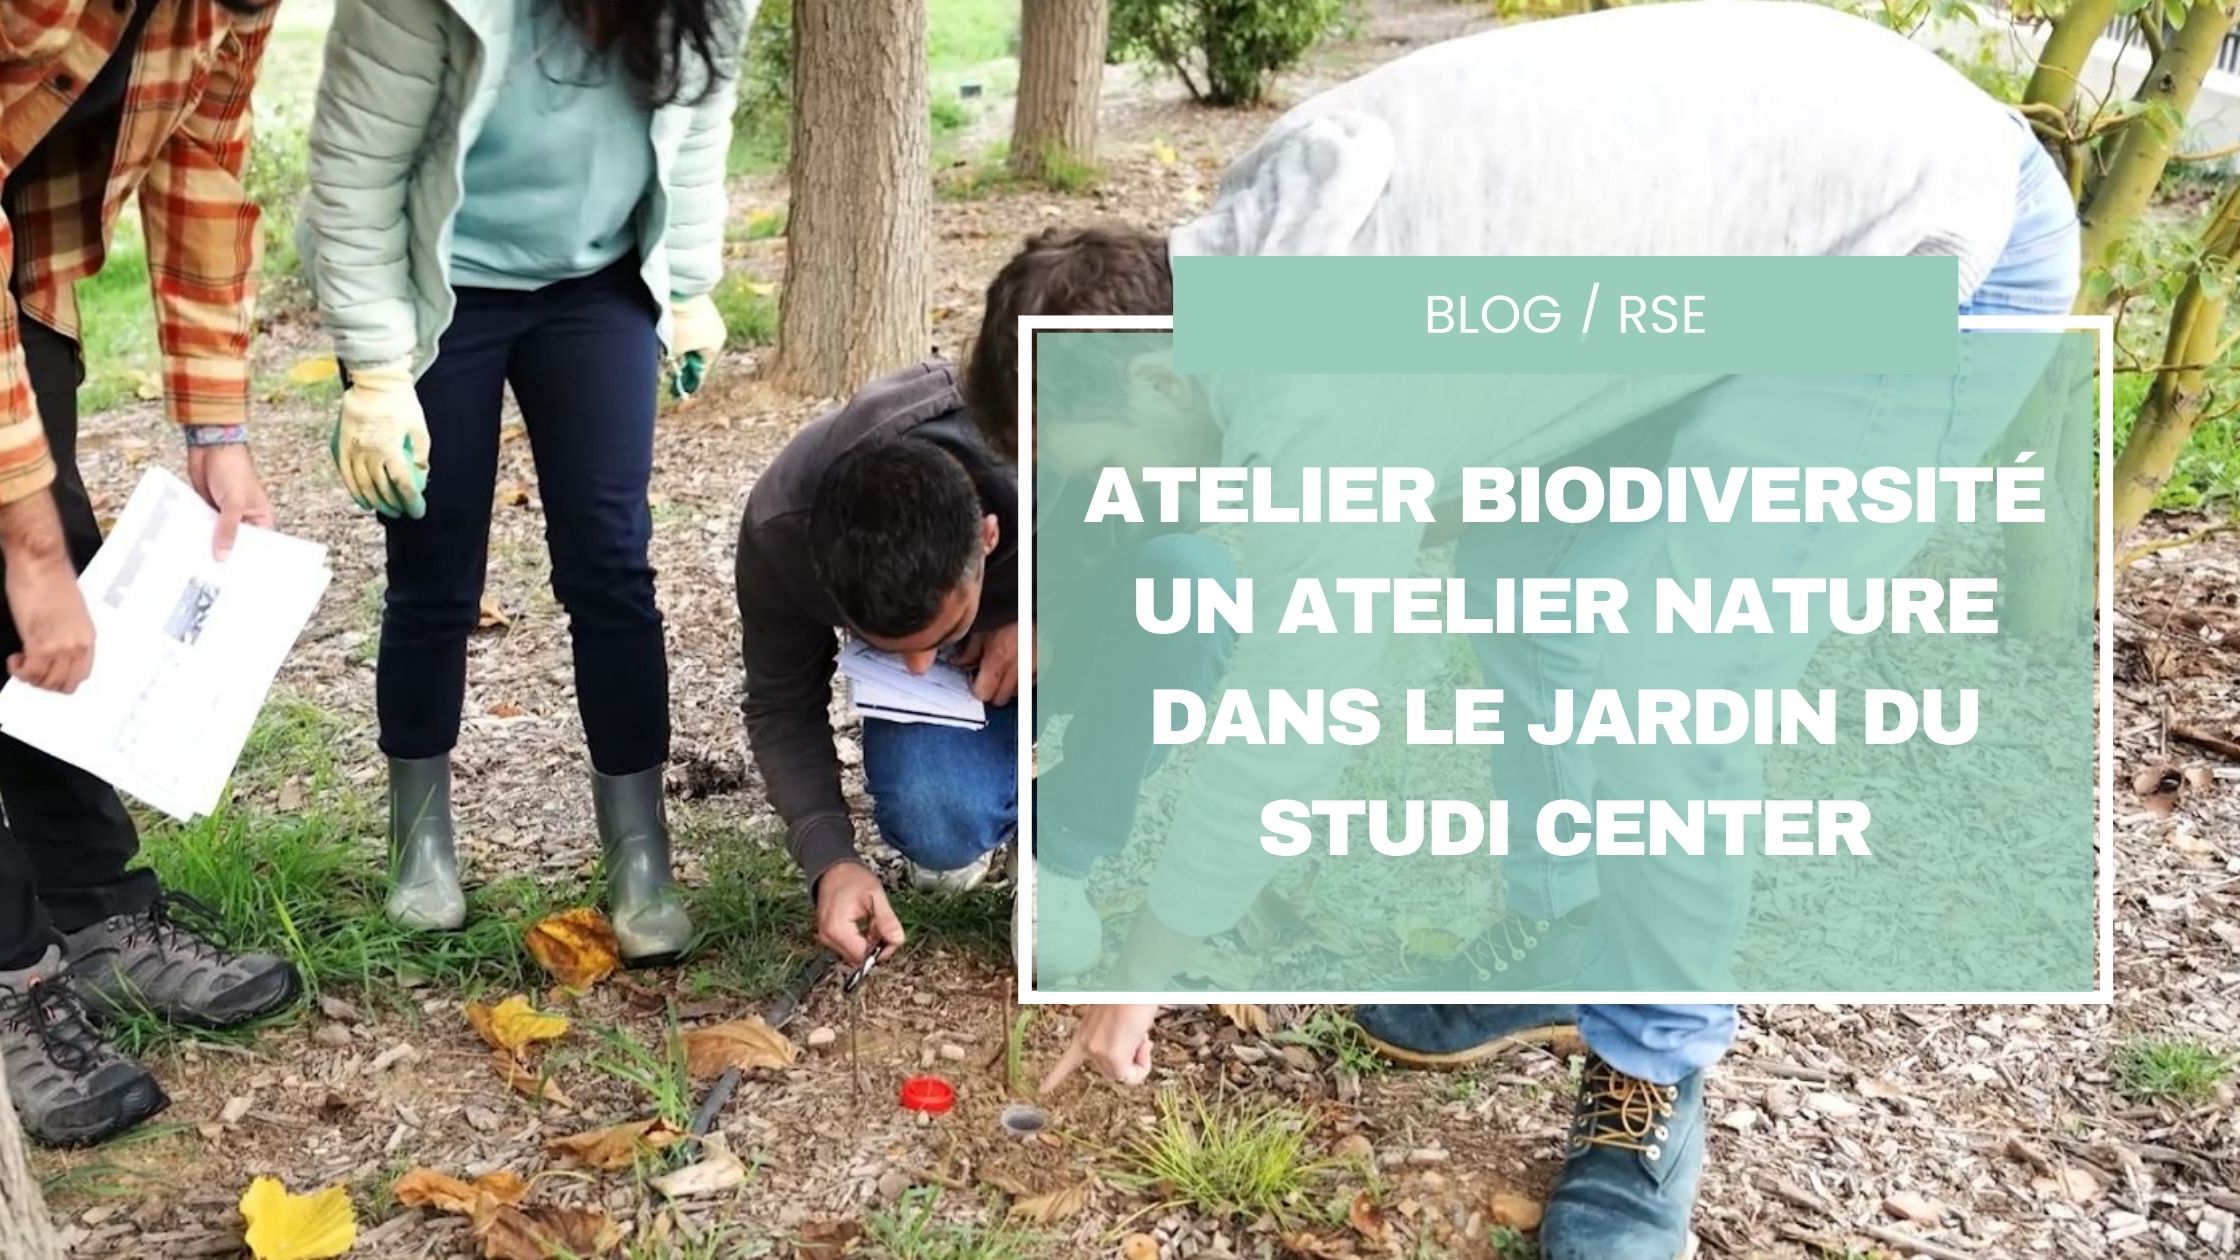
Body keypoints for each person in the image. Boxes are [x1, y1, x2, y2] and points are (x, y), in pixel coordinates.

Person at [1004, 5, 2083, 1259]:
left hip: (1928, 243)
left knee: (1676, 674)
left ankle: (1647, 1077)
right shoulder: (1246, 235)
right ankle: (1575, 919)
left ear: (1148, 377)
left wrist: (1144, 965)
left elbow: (1293, 714)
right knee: (1530, 560)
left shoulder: (1306, 391)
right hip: (1794, 206)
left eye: (1105, 461)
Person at [298, 0, 752, 965]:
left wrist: (691, 283)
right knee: (432, 573)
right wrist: (376, 368)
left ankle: (640, 853)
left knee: (613, 568)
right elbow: (353, 173)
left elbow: (699, 122)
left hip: (599, 287)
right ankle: (418, 843)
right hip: (442, 289)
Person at [0, 0, 300, 1148]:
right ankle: (12, 976)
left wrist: (218, 432)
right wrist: (22, 548)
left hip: (28, 263)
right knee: (25, 565)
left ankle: (100, 914)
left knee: (55, 567)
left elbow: (207, 161)